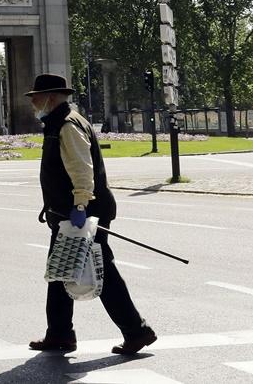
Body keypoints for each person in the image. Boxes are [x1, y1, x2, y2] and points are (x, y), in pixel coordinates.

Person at [25, 73, 157, 355]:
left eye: (36, 96)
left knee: (102, 271)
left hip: (83, 213)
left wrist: (81, 206)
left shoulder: (67, 125)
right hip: (69, 213)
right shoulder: (60, 121)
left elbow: (82, 169)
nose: (33, 101)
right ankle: (60, 333)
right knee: (61, 271)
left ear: (51, 96)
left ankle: (137, 331)